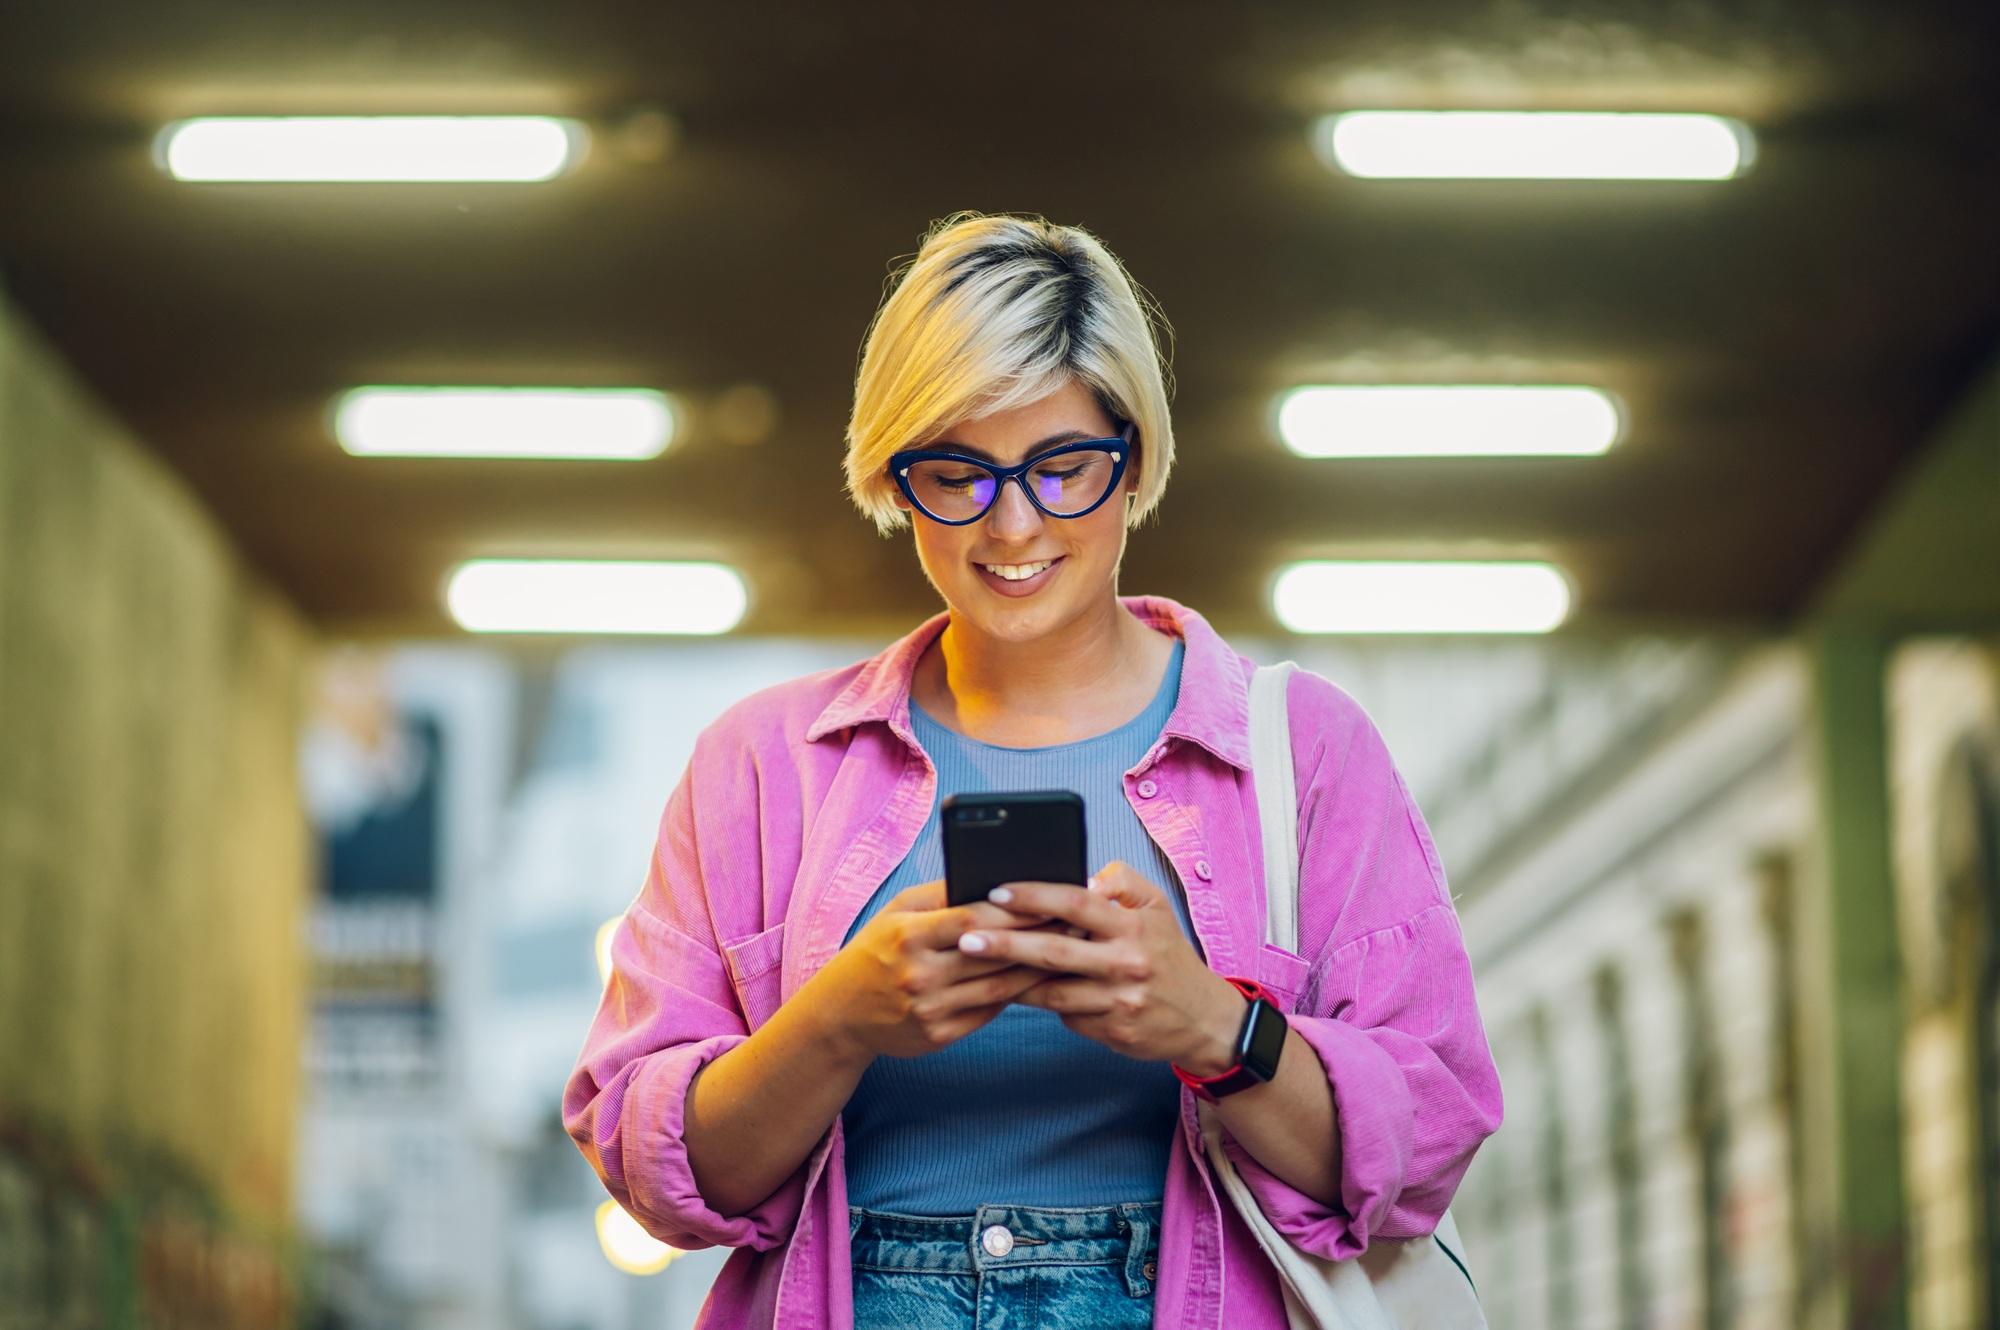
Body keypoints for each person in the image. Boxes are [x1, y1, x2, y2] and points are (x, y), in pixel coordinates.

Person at [563, 211, 1504, 1330]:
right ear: (891, 476)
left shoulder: (1301, 748)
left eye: (1063, 467)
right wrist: (836, 1021)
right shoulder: (761, 767)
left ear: (1134, 458)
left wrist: (1213, 1025)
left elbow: (1420, 1146)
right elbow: (653, 1169)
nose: (1011, 526)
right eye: (954, 473)